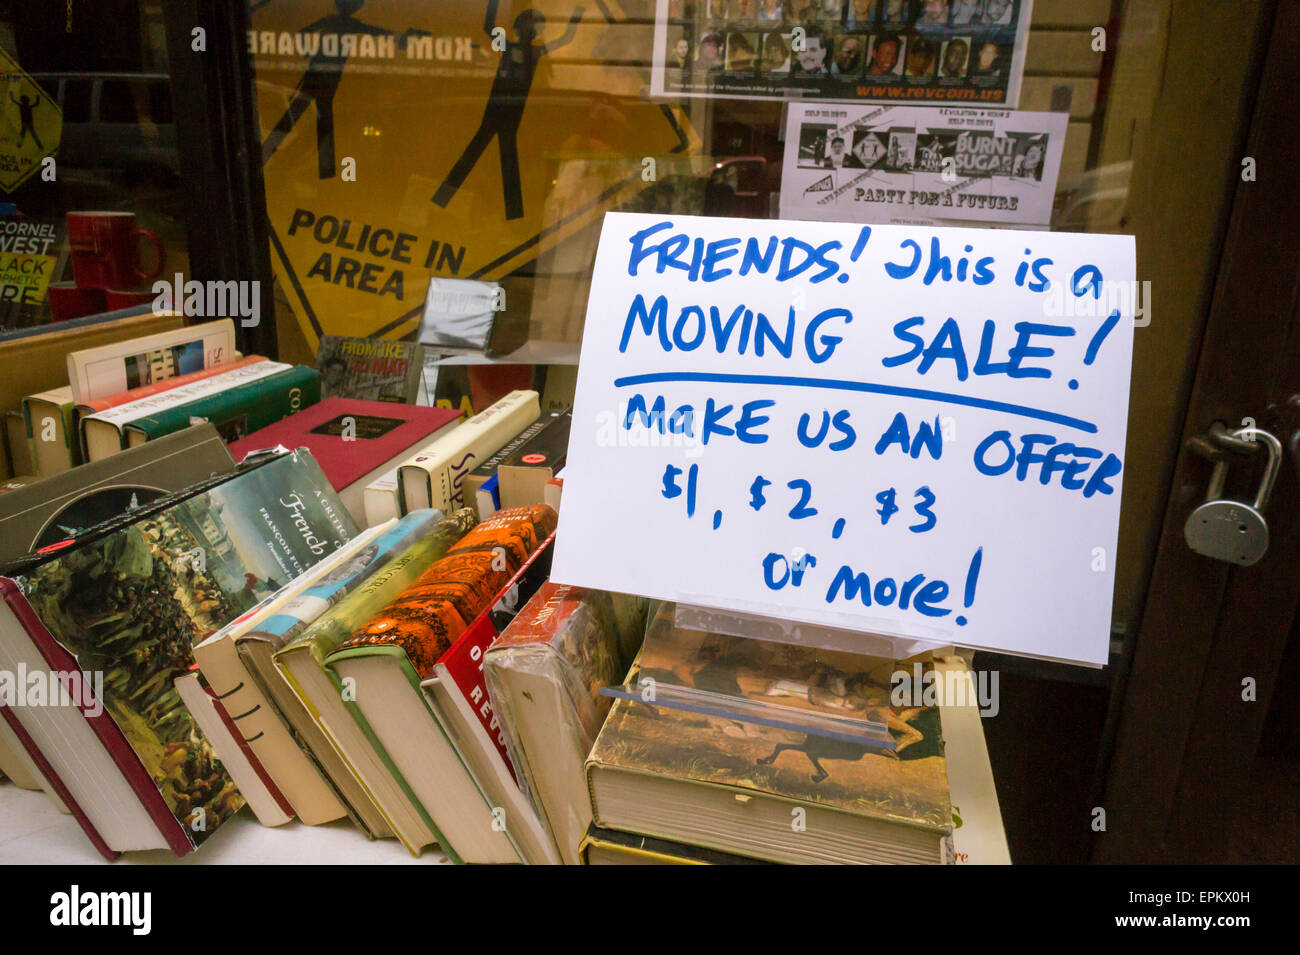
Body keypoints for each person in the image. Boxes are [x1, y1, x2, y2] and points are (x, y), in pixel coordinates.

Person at [432, 2, 584, 221]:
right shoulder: (510, 47)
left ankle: (508, 212)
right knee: (491, 155)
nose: (528, 31)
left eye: (532, 27)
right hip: (497, 109)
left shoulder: (533, 51)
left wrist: (578, 16)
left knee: (501, 157)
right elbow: (488, 26)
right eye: (526, 26)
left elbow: (565, 39)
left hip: (510, 113)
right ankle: (506, 211)